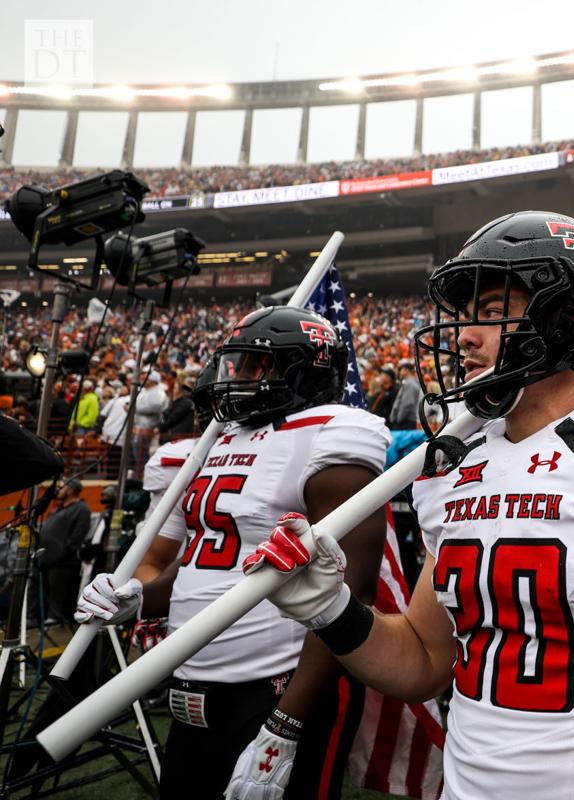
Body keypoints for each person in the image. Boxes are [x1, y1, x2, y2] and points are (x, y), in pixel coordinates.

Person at [243, 211, 574, 799]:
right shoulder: (458, 470)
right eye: (466, 315)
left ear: (570, 319)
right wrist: (331, 608)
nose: (465, 335)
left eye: (494, 311)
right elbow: (423, 661)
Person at [74, 306, 391, 800]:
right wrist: (140, 597)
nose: (233, 377)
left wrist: (286, 723)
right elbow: (205, 561)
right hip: (192, 681)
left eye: (251, 366)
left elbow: (350, 594)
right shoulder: (219, 439)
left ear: (302, 370)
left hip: (275, 685)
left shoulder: (333, 431)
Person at [40, 478, 93, 623]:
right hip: (46, 559)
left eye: (62, 487)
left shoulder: (81, 509)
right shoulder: (58, 508)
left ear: (71, 490)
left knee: (58, 596)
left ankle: (55, 620)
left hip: (63, 562)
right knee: (44, 593)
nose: (59, 490)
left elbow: (77, 537)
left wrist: (60, 554)